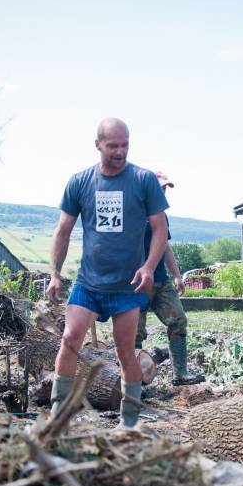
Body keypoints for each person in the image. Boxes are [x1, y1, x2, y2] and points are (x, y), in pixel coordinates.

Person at [45, 117, 169, 427]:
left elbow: (159, 229)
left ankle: (129, 423)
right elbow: (63, 231)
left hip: (127, 286)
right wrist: (55, 274)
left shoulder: (143, 180)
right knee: (70, 338)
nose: (120, 151)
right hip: (89, 283)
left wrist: (149, 267)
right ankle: (58, 415)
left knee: (126, 351)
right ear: (98, 144)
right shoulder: (80, 182)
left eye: (125, 144)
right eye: (113, 145)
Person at [135, 172, 205, 385]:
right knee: (134, 333)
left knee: (178, 319)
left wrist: (177, 276)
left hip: (160, 281)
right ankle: (133, 381)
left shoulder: (161, 215)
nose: (163, 193)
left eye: (165, 189)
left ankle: (180, 373)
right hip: (135, 283)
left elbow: (165, 246)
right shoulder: (133, 212)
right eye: (160, 188)